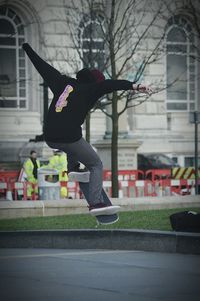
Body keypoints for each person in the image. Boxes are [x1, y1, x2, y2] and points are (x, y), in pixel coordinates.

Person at [22, 43, 152, 215]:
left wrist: (28, 49)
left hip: (50, 136)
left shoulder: (63, 82)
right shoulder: (93, 88)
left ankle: (73, 167)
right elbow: (110, 85)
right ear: (96, 82)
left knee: (76, 133)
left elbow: (43, 67)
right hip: (69, 137)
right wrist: (134, 86)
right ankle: (96, 203)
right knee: (96, 164)